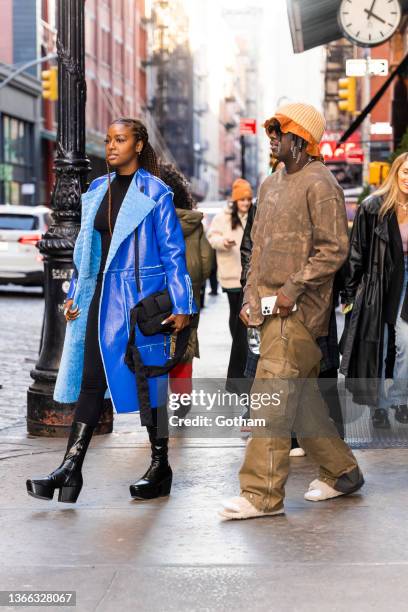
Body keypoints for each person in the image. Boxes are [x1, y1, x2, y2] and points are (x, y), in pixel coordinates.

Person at [26, 118, 196, 504]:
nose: (112, 146)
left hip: (140, 304)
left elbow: (174, 254)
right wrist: (76, 295)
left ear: (138, 146)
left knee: (150, 386)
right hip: (100, 300)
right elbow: (87, 253)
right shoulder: (96, 190)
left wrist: (183, 304)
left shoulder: (156, 193)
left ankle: (159, 466)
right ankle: (70, 468)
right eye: (109, 140)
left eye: (121, 140)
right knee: (91, 381)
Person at [219, 103, 364, 520]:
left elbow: (334, 250)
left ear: (300, 138)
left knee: (270, 401)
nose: (272, 138)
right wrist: (249, 297)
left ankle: (261, 495)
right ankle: (343, 472)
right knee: (300, 403)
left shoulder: (322, 184)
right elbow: (257, 250)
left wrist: (291, 290)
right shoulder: (269, 185)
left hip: (299, 313)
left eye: (278, 131)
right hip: (266, 312)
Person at [340, 152, 408, 429]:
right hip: (378, 281)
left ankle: (400, 399)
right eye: (405, 171)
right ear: (396, 172)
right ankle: (378, 406)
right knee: (376, 344)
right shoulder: (373, 207)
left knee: (405, 341)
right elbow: (356, 251)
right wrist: (349, 294)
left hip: (406, 280)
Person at [158, 160, 213, 410]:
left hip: (158, 294)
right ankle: (182, 397)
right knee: (185, 343)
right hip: (189, 293)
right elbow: (206, 261)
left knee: (156, 345)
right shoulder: (194, 223)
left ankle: (157, 403)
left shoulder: (154, 223)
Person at [207, 179, 252, 341]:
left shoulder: (254, 216)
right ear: (235, 200)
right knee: (235, 311)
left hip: (250, 274)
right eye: (242, 199)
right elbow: (212, 238)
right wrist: (224, 242)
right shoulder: (222, 218)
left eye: (248, 199)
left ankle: (245, 346)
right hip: (231, 274)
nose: (246, 203)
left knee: (247, 311)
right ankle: (237, 345)